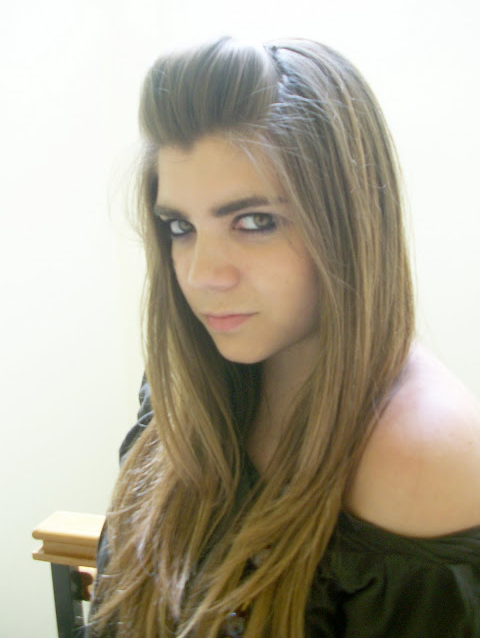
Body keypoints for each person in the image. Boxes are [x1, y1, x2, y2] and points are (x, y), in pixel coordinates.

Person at [88, 37, 480, 637]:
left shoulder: (421, 459)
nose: (202, 275)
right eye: (180, 226)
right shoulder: (192, 377)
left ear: (348, 223)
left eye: (255, 222)